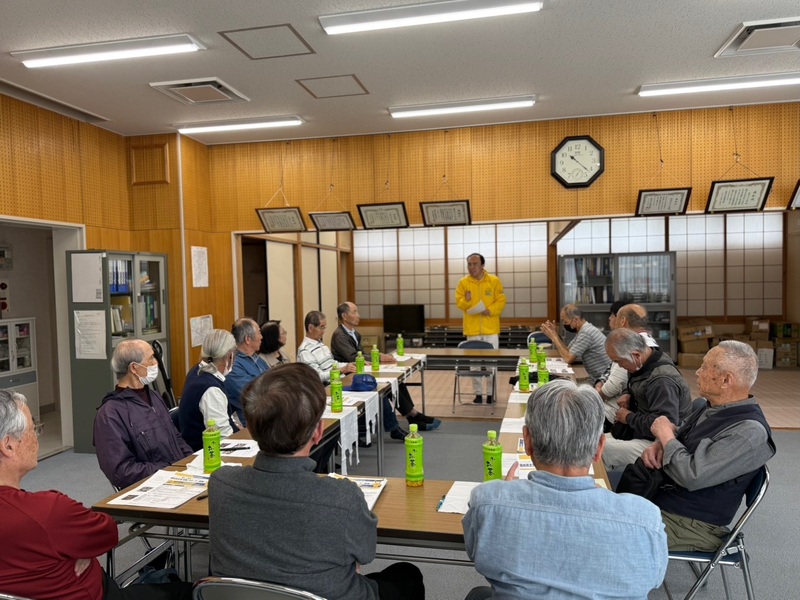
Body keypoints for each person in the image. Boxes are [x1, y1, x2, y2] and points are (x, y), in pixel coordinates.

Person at [209, 363, 425, 600]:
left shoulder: (220, 483)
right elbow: (366, 553)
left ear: (249, 429)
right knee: (407, 575)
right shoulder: (342, 496)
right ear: (318, 432)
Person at [462, 380, 667, 600]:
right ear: (599, 448)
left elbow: (476, 553)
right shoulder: (647, 520)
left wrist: (505, 496)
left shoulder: (487, 502)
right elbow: (654, 579)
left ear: (527, 441)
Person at [0, 390, 193, 600]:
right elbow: (107, 531)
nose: (37, 437)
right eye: (32, 429)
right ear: (8, 445)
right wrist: (79, 548)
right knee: (191, 592)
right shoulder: (47, 512)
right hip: (97, 594)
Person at [641, 340, 776, 552]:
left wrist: (665, 436)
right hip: (666, 499)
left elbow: (691, 476)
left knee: (606, 531)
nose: (697, 372)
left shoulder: (749, 432)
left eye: (704, 367)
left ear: (725, 380)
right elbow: (681, 434)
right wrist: (661, 443)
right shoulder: (712, 407)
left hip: (692, 524)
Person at [94, 339, 192, 490]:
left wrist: (192, 462)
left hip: (178, 476)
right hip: (153, 486)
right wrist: (169, 469)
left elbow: (176, 438)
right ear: (134, 368)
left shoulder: (153, 396)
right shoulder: (110, 414)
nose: (156, 363)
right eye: (151, 358)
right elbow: (121, 472)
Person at [298, 310, 409, 441]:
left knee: (374, 386)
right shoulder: (305, 350)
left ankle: (369, 429)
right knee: (372, 391)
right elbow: (316, 377)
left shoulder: (321, 345)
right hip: (329, 387)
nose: (324, 331)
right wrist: (341, 370)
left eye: (325, 327)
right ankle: (389, 429)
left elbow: (333, 364)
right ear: (311, 327)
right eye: (321, 327)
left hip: (339, 380)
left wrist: (348, 365)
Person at [330, 302, 440, 431]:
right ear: (344, 316)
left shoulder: (355, 333)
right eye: (354, 312)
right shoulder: (339, 335)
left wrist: (378, 356)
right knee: (385, 386)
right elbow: (352, 357)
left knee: (396, 382)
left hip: (361, 371)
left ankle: (412, 414)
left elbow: (362, 354)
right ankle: (411, 416)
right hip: (349, 375)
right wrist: (377, 357)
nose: (358, 315)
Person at [602, 328, 692, 471]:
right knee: (595, 442)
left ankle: (607, 483)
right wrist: (627, 393)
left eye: (619, 361)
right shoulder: (644, 361)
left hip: (659, 444)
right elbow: (634, 381)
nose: (619, 366)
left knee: (600, 449)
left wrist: (628, 418)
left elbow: (666, 425)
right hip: (642, 431)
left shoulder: (661, 381)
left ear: (636, 355)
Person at [455, 253, 506, 404]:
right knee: (474, 364)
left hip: (491, 329)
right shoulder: (463, 282)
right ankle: (477, 394)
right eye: (469, 264)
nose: (472, 267)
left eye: (475, 264)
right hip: (472, 329)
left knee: (492, 363)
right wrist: (466, 300)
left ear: (482, 265)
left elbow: (501, 300)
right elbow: (459, 303)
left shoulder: (494, 281)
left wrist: (491, 310)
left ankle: (490, 394)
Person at [179, 329, 239, 451]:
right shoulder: (211, 390)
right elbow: (224, 438)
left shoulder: (197, 370)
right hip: (206, 453)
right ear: (230, 355)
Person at [540, 303, 611, 382]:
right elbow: (568, 351)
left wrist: (554, 338)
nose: (564, 325)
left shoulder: (586, 333)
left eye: (565, 322)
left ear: (576, 319)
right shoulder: (583, 330)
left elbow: (568, 358)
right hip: (596, 377)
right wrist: (555, 335)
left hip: (601, 380)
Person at [224, 317, 269, 427]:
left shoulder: (256, 358)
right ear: (248, 339)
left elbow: (274, 380)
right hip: (252, 423)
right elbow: (253, 395)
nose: (262, 337)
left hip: (268, 414)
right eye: (259, 333)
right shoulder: (233, 365)